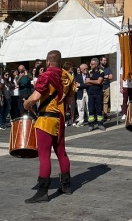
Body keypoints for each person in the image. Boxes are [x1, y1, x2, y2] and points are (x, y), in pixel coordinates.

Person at [23, 50, 76, 203]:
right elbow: (70, 101)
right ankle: (66, 186)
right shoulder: (69, 77)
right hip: (60, 120)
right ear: (60, 62)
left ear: (48, 62)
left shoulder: (45, 76)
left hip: (46, 120)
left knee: (44, 156)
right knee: (62, 154)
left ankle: (42, 192)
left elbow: (36, 97)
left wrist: (27, 104)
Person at [86, 58, 105, 131]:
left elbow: (99, 82)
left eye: (92, 64)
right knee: (91, 110)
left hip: (98, 93)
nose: (90, 65)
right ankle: (91, 125)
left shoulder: (101, 72)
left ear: (96, 65)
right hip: (90, 93)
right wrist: (95, 81)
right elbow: (86, 82)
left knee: (99, 109)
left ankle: (100, 124)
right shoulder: (89, 72)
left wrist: (90, 81)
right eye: (90, 64)